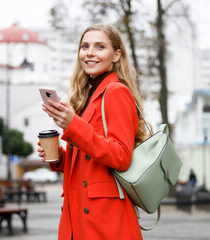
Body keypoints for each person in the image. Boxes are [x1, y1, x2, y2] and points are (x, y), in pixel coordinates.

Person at [37, 24, 149, 240]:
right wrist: (60, 158)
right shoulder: (86, 96)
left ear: (116, 55)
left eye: (99, 47)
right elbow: (89, 158)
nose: (89, 52)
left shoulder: (116, 92)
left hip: (104, 219)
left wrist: (73, 125)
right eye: (84, 46)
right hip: (80, 212)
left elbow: (121, 156)